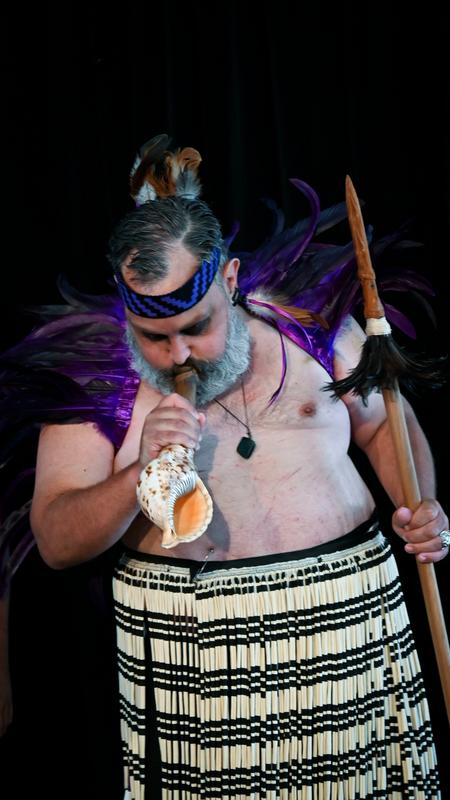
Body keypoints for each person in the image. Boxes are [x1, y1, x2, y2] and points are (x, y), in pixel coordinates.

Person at [28, 135, 448, 799]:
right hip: (203, 659)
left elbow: (384, 427)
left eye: (196, 327)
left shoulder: (311, 328)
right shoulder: (97, 382)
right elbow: (55, 539)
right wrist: (140, 473)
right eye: (153, 336)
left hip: (353, 623)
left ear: (228, 280)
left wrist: (418, 506)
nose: (177, 355)